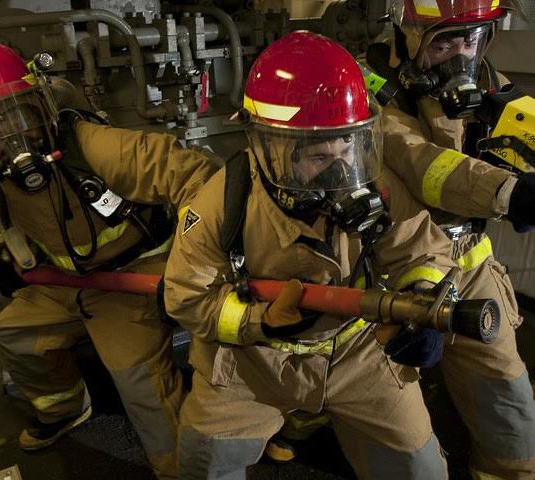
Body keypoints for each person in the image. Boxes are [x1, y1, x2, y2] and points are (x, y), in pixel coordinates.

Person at [342, 2, 535, 479]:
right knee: (394, 430)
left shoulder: (484, 79)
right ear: (406, 33)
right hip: (390, 270)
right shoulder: (361, 88)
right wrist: (520, 195)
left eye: (472, 39)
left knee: (508, 403)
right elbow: (419, 162)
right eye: (444, 42)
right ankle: (301, 422)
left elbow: (529, 135)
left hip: (470, 264)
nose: (461, 56)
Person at [164, 31, 462, 479]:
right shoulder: (220, 204)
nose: (342, 170)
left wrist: (421, 298)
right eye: (320, 156)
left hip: (357, 350)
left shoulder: (376, 187)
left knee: (418, 468)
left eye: (349, 148)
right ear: (272, 151)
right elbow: (186, 296)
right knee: (203, 463)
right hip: (252, 362)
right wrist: (258, 321)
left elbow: (420, 250)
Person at [0, 41, 217, 479]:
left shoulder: (96, 147)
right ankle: (64, 409)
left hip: (133, 275)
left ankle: (181, 470)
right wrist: (2, 258)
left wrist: (189, 261)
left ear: (41, 106)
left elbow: (199, 179)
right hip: (64, 282)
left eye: (21, 115)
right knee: (15, 334)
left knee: (139, 383)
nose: (12, 137)